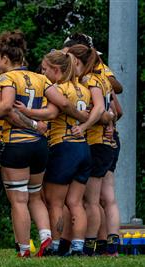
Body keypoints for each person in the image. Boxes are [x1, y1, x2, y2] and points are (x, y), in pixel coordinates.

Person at [0, 30, 87, 257]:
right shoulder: (41, 79)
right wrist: (42, 121)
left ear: (4, 57)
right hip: (40, 146)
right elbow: (58, 107)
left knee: (18, 200)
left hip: (16, 144)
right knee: (35, 195)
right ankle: (46, 236)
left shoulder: (5, 79)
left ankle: (23, 249)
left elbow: (6, 107)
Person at [19, 50, 92, 255]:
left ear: (56, 70)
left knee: (55, 202)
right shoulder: (83, 89)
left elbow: (51, 113)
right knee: (76, 202)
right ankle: (78, 246)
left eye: (45, 69)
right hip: (82, 147)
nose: (43, 74)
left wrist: (25, 111)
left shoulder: (59, 89)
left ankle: (56, 245)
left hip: (64, 146)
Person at [66, 44, 117, 256]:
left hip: (96, 143)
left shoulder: (89, 79)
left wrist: (85, 126)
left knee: (92, 201)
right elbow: (114, 111)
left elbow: (99, 108)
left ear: (77, 61)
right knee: (106, 199)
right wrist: (110, 124)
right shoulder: (104, 78)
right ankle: (108, 245)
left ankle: (89, 246)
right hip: (106, 143)